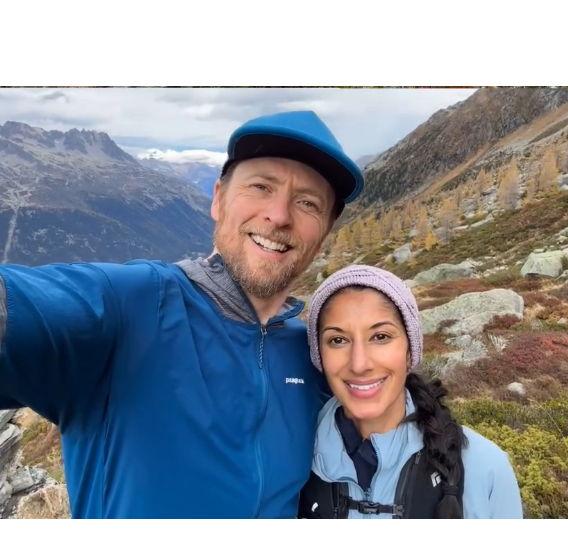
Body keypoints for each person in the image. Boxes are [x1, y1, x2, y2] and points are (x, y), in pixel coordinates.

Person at [0, 110, 364, 518]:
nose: (279, 216)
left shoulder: (315, 355)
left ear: (324, 231)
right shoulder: (127, 305)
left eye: (308, 203)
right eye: (261, 186)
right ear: (218, 199)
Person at [298, 265, 523, 518]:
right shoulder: (291, 459)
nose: (359, 364)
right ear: (319, 356)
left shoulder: (485, 468)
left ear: (409, 351)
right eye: (338, 340)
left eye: (380, 336)